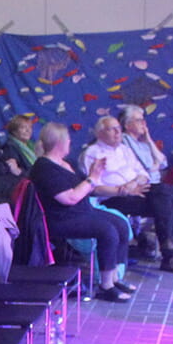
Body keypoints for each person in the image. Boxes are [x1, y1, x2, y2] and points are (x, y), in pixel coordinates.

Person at [81, 115, 173, 272]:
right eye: (112, 129)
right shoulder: (92, 153)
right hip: (113, 198)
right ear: (99, 133)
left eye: (118, 129)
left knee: (168, 198)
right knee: (167, 198)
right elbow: (93, 188)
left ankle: (172, 253)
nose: (117, 132)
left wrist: (133, 184)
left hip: (137, 191)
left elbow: (143, 173)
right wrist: (123, 190)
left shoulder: (124, 150)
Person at [31, 122, 136, 301]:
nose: (70, 143)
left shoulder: (66, 163)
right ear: (60, 143)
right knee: (107, 230)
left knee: (120, 224)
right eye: (68, 140)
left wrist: (96, 175)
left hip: (81, 211)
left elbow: (86, 187)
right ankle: (105, 286)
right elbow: (68, 198)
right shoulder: (44, 168)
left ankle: (114, 278)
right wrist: (92, 178)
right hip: (61, 218)